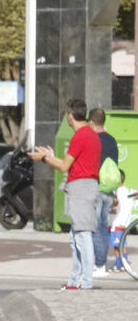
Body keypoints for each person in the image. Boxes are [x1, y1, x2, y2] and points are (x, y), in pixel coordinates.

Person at [29, 98, 102, 290]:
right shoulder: (91, 135)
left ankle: (85, 282)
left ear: (70, 116)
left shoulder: (80, 136)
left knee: (82, 236)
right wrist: (51, 156)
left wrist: (44, 158)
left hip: (81, 189)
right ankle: (74, 280)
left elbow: (64, 166)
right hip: (85, 186)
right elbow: (74, 164)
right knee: (76, 236)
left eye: (66, 115)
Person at [90, 108, 118, 275]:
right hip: (109, 188)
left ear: (91, 122)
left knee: (96, 227)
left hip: (97, 186)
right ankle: (101, 263)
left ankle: (99, 264)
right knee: (103, 225)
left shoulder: (94, 140)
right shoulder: (112, 140)